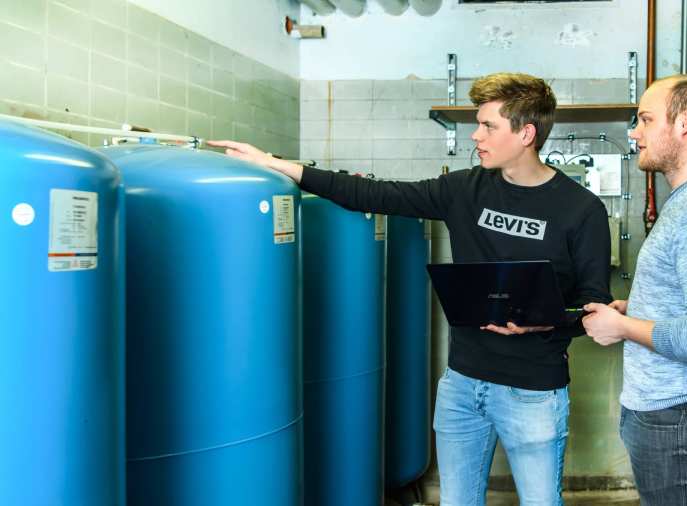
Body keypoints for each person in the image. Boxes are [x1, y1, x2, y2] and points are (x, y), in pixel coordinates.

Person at [209, 72, 612, 505]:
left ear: (526, 133)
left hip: (532, 391)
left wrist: (540, 326)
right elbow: (374, 194)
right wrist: (276, 164)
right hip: (463, 384)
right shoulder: (464, 189)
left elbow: (595, 308)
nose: (475, 135)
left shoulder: (580, 209)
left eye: (488, 126)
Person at [580, 74, 687, 506]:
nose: (635, 133)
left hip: (683, 418)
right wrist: (634, 308)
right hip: (672, 413)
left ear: (686, 122)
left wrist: (621, 327)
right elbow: (686, 303)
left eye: (645, 119)